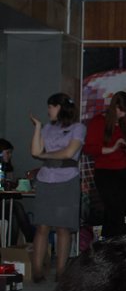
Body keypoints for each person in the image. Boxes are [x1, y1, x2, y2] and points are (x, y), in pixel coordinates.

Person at [29, 93, 86, 281]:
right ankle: (37, 271)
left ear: (60, 107)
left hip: (67, 179)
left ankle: (61, 272)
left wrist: (46, 156)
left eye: (51, 107)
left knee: (63, 227)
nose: (48, 111)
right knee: (42, 226)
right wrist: (37, 128)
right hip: (46, 179)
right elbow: (35, 151)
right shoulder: (46, 128)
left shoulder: (78, 128)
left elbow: (69, 152)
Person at [83, 91, 126, 238]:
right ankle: (113, 243)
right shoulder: (98, 121)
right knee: (113, 208)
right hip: (105, 171)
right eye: (122, 110)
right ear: (115, 107)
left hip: (123, 170)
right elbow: (89, 148)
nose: (124, 114)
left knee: (118, 210)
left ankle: (111, 243)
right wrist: (112, 148)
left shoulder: (124, 123)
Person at [0, 138, 35, 243]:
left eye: (11, 153)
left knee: (14, 215)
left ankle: (12, 249)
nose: (10, 155)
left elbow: (10, 187)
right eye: (8, 152)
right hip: (2, 203)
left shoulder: (8, 168)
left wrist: (16, 184)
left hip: (5, 203)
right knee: (17, 207)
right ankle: (31, 240)